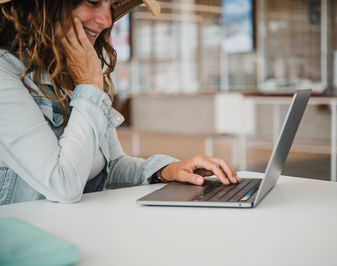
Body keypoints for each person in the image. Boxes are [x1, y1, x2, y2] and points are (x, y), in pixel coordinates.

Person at [0, 0, 238, 205]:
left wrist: (166, 171)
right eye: (93, 1)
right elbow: (63, 183)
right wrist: (90, 85)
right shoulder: (5, 73)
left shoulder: (75, 72)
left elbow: (110, 167)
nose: (106, 20)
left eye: (112, 5)